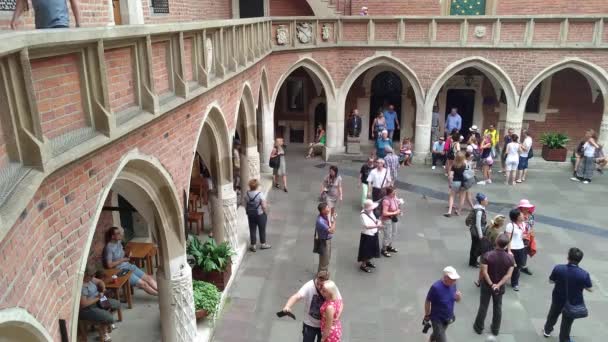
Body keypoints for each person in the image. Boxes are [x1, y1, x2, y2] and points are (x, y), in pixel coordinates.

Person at [542, 248, 593, 342]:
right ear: (580, 260)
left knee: (553, 314)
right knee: (567, 322)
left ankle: (547, 330)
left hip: (558, 297)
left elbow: (551, 281)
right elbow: (590, 288)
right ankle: (564, 339)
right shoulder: (584, 274)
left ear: (568, 257)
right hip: (573, 301)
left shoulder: (558, 268)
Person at [473, 234, 515, 338]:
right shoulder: (510, 258)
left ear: (496, 242)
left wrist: (491, 284)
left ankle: (479, 327)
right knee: (498, 306)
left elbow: (484, 272)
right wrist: (498, 285)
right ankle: (495, 329)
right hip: (499, 287)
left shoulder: (487, 255)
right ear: (506, 245)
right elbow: (508, 275)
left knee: (483, 306)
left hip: (487, 285)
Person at [281, 271, 342, 342]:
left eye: (322, 285)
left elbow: (340, 302)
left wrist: (337, 317)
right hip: (309, 324)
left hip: (324, 326)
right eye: (317, 283)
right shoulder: (309, 285)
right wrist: (287, 306)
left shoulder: (330, 287)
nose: (319, 287)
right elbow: (297, 296)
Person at [103, 227, 158, 296]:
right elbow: (109, 265)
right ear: (113, 236)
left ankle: (162, 292)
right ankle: (161, 296)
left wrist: (127, 253)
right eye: (118, 233)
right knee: (143, 284)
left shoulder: (119, 242)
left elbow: (122, 253)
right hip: (120, 271)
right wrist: (123, 260)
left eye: (120, 233)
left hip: (128, 265)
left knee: (148, 278)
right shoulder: (109, 248)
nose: (121, 234)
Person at [79, 264, 120, 342]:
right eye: (91, 275)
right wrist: (98, 297)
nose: (93, 277)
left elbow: (100, 281)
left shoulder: (90, 278)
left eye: (93, 275)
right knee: (108, 318)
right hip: (88, 308)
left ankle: (107, 323)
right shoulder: (82, 286)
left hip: (99, 299)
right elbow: (83, 304)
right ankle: (105, 334)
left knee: (116, 304)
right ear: (85, 274)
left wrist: (103, 288)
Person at [424, 266, 462, 342]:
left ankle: (431, 340)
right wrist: (427, 315)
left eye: (455, 279)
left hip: (448, 318)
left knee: (437, 333)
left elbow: (456, 300)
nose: (454, 281)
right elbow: (427, 301)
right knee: (441, 339)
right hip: (437, 319)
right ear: (445, 277)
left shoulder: (453, 285)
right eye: (452, 279)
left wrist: (458, 298)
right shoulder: (436, 288)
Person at [475, 215, 506, 287]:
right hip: (491, 251)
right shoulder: (498, 233)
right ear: (501, 224)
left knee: (483, 266)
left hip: (484, 248)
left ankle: (479, 281)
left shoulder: (489, 226)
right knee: (490, 268)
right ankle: (488, 282)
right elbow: (496, 244)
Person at [11, 0, 81, 29]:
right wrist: (15, 18)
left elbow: (73, 1)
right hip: (41, 26)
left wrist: (78, 23)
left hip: (59, 23)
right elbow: (22, 1)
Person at [245, 179, 271, 252]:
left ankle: (253, 245)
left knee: (252, 229)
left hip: (251, 214)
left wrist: (248, 211)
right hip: (260, 214)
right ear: (257, 186)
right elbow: (264, 206)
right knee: (262, 229)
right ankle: (263, 244)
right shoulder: (260, 194)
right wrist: (265, 213)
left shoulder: (247, 194)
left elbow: (245, 204)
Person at [505, 209, 527, 291]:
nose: (523, 215)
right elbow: (508, 239)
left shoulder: (523, 224)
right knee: (509, 265)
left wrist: (523, 237)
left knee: (518, 266)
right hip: (513, 249)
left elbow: (520, 235)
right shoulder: (510, 226)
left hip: (521, 248)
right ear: (517, 217)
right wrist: (509, 251)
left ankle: (515, 283)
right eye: (521, 214)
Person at [358, 199, 382, 273]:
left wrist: (377, 221)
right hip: (367, 234)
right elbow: (367, 226)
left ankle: (367, 261)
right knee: (366, 250)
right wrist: (377, 225)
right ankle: (363, 265)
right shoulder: (363, 215)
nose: (372, 209)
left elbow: (374, 219)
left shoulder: (370, 212)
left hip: (373, 233)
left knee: (371, 249)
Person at [468, 193, 488, 268]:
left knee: (474, 246)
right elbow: (478, 224)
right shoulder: (479, 211)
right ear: (481, 201)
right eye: (485, 200)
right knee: (476, 247)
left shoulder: (477, 208)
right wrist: (481, 235)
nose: (487, 201)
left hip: (474, 230)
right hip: (477, 231)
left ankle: (473, 261)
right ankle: (473, 262)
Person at [380, 187, 401, 258]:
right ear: (389, 193)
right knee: (387, 235)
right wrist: (395, 212)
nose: (395, 194)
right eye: (393, 193)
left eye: (395, 192)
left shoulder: (394, 198)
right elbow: (384, 213)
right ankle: (384, 249)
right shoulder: (386, 201)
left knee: (394, 233)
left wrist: (399, 211)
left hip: (394, 218)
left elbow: (396, 206)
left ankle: (389, 246)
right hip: (387, 219)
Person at [444, 152, 466, 217]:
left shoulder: (454, 165)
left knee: (452, 196)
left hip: (455, 182)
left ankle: (449, 211)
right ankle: (459, 212)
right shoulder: (465, 165)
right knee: (462, 198)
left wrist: (450, 183)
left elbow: (450, 176)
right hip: (463, 183)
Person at [316, 203, 336, 273]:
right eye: (327, 208)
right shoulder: (320, 221)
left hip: (327, 239)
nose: (329, 209)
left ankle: (323, 273)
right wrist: (334, 221)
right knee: (324, 259)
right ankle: (321, 276)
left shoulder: (325, 215)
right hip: (324, 241)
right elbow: (332, 231)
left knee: (326, 258)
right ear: (323, 210)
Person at [517, 199, 536, 275]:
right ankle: (517, 266)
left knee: (525, 251)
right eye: (525, 208)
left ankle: (523, 266)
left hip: (528, 237)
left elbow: (531, 225)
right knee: (518, 251)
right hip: (519, 236)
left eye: (527, 207)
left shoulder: (531, 215)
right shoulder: (518, 215)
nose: (527, 209)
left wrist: (530, 232)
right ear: (521, 208)